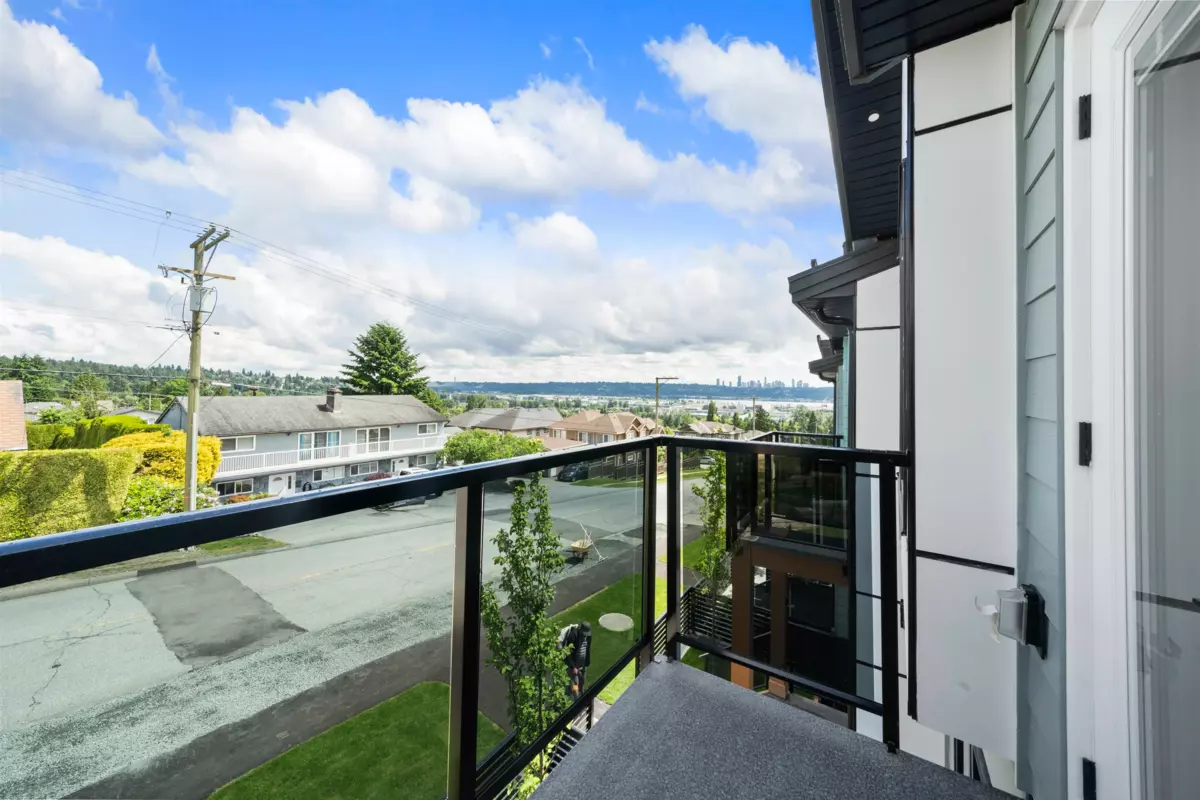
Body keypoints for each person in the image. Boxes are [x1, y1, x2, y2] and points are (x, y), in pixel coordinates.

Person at [558, 622, 592, 700]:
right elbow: (568, 652)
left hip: (582, 664)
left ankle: (580, 694)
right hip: (573, 664)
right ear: (580, 630)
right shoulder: (573, 635)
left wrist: (586, 663)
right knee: (574, 683)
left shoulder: (588, 636)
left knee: (582, 680)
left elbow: (587, 649)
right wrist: (573, 667)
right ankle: (576, 699)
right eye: (584, 634)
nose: (585, 636)